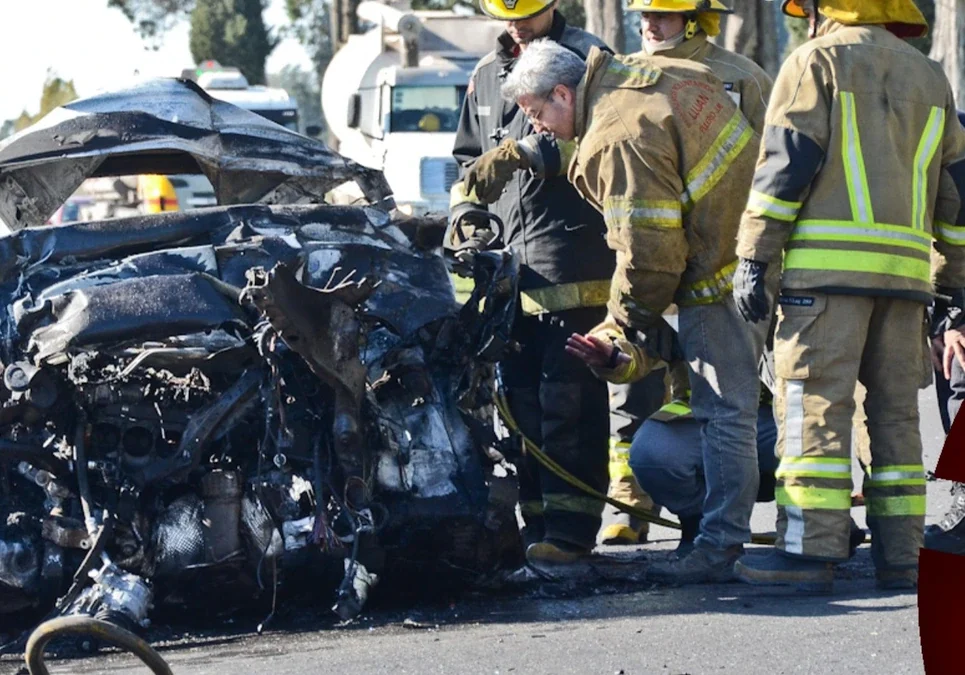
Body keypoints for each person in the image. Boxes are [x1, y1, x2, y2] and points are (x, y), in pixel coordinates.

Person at [485, 38, 775, 584]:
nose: (537, 129)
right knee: (734, 413)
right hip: (754, 255)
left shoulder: (613, 135)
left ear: (564, 94)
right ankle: (769, 534)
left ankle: (718, 548)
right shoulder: (645, 76)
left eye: (536, 113)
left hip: (723, 274)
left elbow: (650, 252)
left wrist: (618, 325)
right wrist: (628, 347)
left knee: (723, 415)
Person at [731, 0, 965, 593]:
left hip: (824, 282)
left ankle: (810, 552)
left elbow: (786, 165)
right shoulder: (930, 76)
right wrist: (957, 281)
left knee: (814, 408)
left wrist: (755, 255)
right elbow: (957, 196)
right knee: (893, 418)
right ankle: (904, 556)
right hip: (907, 283)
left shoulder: (816, 60)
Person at [598, 0, 776, 547]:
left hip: (728, 271)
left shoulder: (742, 78)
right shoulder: (630, 76)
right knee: (637, 391)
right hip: (655, 260)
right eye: (645, 16)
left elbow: (774, 166)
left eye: (665, 17)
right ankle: (637, 504)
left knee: (744, 401)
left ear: (697, 19)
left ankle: (791, 524)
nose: (650, 26)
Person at [448, 0, 615, 565]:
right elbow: (467, 165)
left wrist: (529, 152)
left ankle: (571, 534)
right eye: (507, 14)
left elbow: (612, 145)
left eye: (528, 13)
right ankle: (537, 524)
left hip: (573, 259)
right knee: (519, 405)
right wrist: (464, 219)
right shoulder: (484, 76)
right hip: (508, 269)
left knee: (568, 401)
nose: (516, 25)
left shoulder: (591, 61)